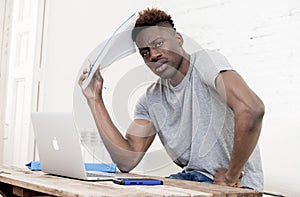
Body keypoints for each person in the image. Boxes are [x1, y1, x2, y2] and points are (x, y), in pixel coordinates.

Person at [79, 8, 265, 191]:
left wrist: (230, 176)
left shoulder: (205, 63)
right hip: (191, 179)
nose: (153, 55)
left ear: (178, 38)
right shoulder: (151, 99)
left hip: (237, 185)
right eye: (145, 52)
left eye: (158, 43)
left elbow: (252, 110)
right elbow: (126, 161)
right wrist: (95, 99)